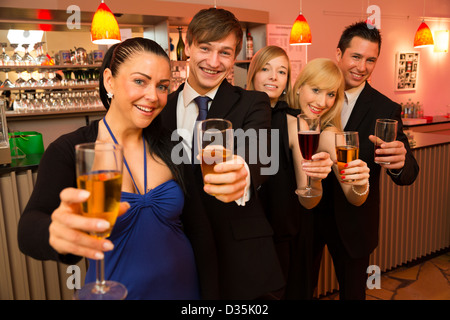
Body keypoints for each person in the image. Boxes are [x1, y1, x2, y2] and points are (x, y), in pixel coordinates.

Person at [17, 37, 212, 300]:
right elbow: (28, 229)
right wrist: (53, 231)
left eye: (162, 86)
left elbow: (199, 228)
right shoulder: (70, 149)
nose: (153, 96)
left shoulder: (171, 143)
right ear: (109, 80)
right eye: (140, 81)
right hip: (118, 293)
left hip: (185, 286)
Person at [159, 8, 285, 299]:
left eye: (225, 53)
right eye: (205, 48)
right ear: (187, 46)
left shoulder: (253, 102)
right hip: (178, 252)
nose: (214, 62)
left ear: (235, 57)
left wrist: (241, 172)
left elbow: (260, 153)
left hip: (240, 256)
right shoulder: (161, 107)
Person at [247, 46, 370, 299]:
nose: (322, 102)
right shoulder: (249, 115)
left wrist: (359, 182)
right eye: (316, 90)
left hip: (290, 234)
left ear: (288, 80)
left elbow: (332, 195)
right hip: (249, 233)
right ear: (299, 86)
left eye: (331, 95)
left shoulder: (316, 130)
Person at [309, 21, 420, 300]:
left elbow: (408, 173)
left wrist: (399, 162)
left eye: (371, 60)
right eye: (356, 57)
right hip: (306, 216)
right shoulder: (312, 93)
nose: (362, 67)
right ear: (339, 54)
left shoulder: (385, 109)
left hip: (354, 222)